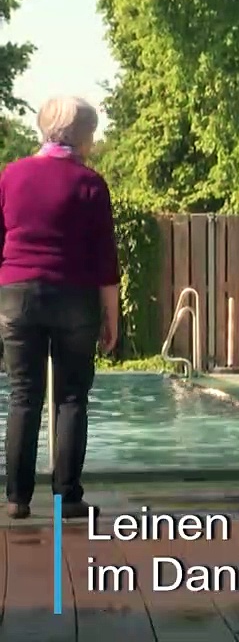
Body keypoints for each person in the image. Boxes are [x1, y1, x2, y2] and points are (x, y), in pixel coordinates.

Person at [1, 96, 120, 521]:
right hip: (75, 297)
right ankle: (67, 498)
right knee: (71, 397)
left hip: (18, 295)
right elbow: (106, 259)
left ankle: (17, 499)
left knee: (23, 395)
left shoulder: (11, 176)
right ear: (82, 136)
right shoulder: (90, 184)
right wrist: (112, 316)